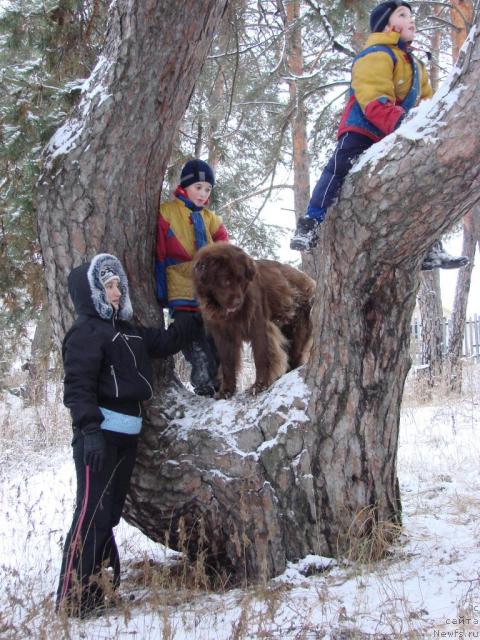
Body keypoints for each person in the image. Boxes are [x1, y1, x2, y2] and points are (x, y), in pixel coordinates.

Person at [56, 253, 203, 618]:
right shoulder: (86, 332)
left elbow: (168, 342)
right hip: (99, 437)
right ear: (91, 292)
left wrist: (193, 311)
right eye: (107, 285)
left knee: (108, 515)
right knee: (91, 514)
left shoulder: (129, 329)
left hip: (127, 436)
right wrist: (89, 430)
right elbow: (77, 387)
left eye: (117, 284)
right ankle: (73, 599)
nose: (116, 291)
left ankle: (99, 591)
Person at [290, 0, 468, 271]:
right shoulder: (376, 55)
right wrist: (403, 121)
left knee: (417, 183)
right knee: (338, 167)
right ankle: (311, 222)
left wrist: (425, 120)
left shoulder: (416, 65)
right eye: (403, 15)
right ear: (387, 24)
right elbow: (373, 98)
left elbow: (429, 101)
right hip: (364, 129)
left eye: (412, 15)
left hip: (398, 133)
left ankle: (431, 247)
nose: (412, 20)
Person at [155, 159, 229, 397]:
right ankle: (203, 382)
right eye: (198, 187)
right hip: (180, 287)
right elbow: (159, 252)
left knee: (214, 337)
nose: (203, 193)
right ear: (185, 185)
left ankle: (221, 384)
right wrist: (160, 289)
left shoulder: (211, 218)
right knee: (191, 339)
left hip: (207, 290)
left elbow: (224, 251)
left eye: (208, 189)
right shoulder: (167, 212)